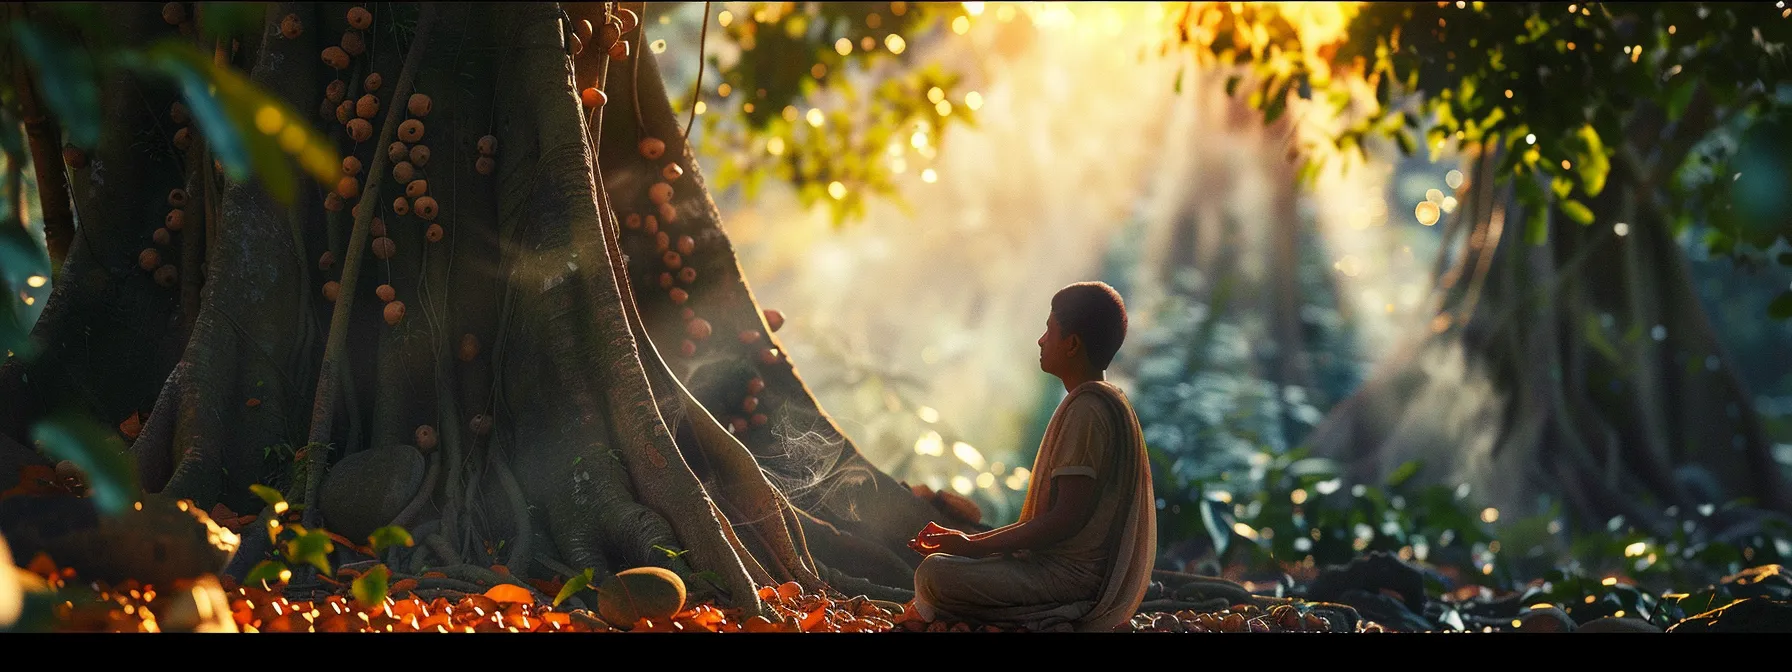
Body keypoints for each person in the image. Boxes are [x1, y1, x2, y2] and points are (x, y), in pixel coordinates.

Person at [907, 281, 1156, 632]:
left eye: (1049, 330)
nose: (1041, 340)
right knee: (942, 568)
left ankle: (1051, 616)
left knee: (934, 574)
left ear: (1071, 344)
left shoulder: (1088, 409)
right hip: (1064, 575)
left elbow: (1064, 520)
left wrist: (972, 548)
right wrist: (971, 543)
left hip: (1068, 582)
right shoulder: (1101, 401)